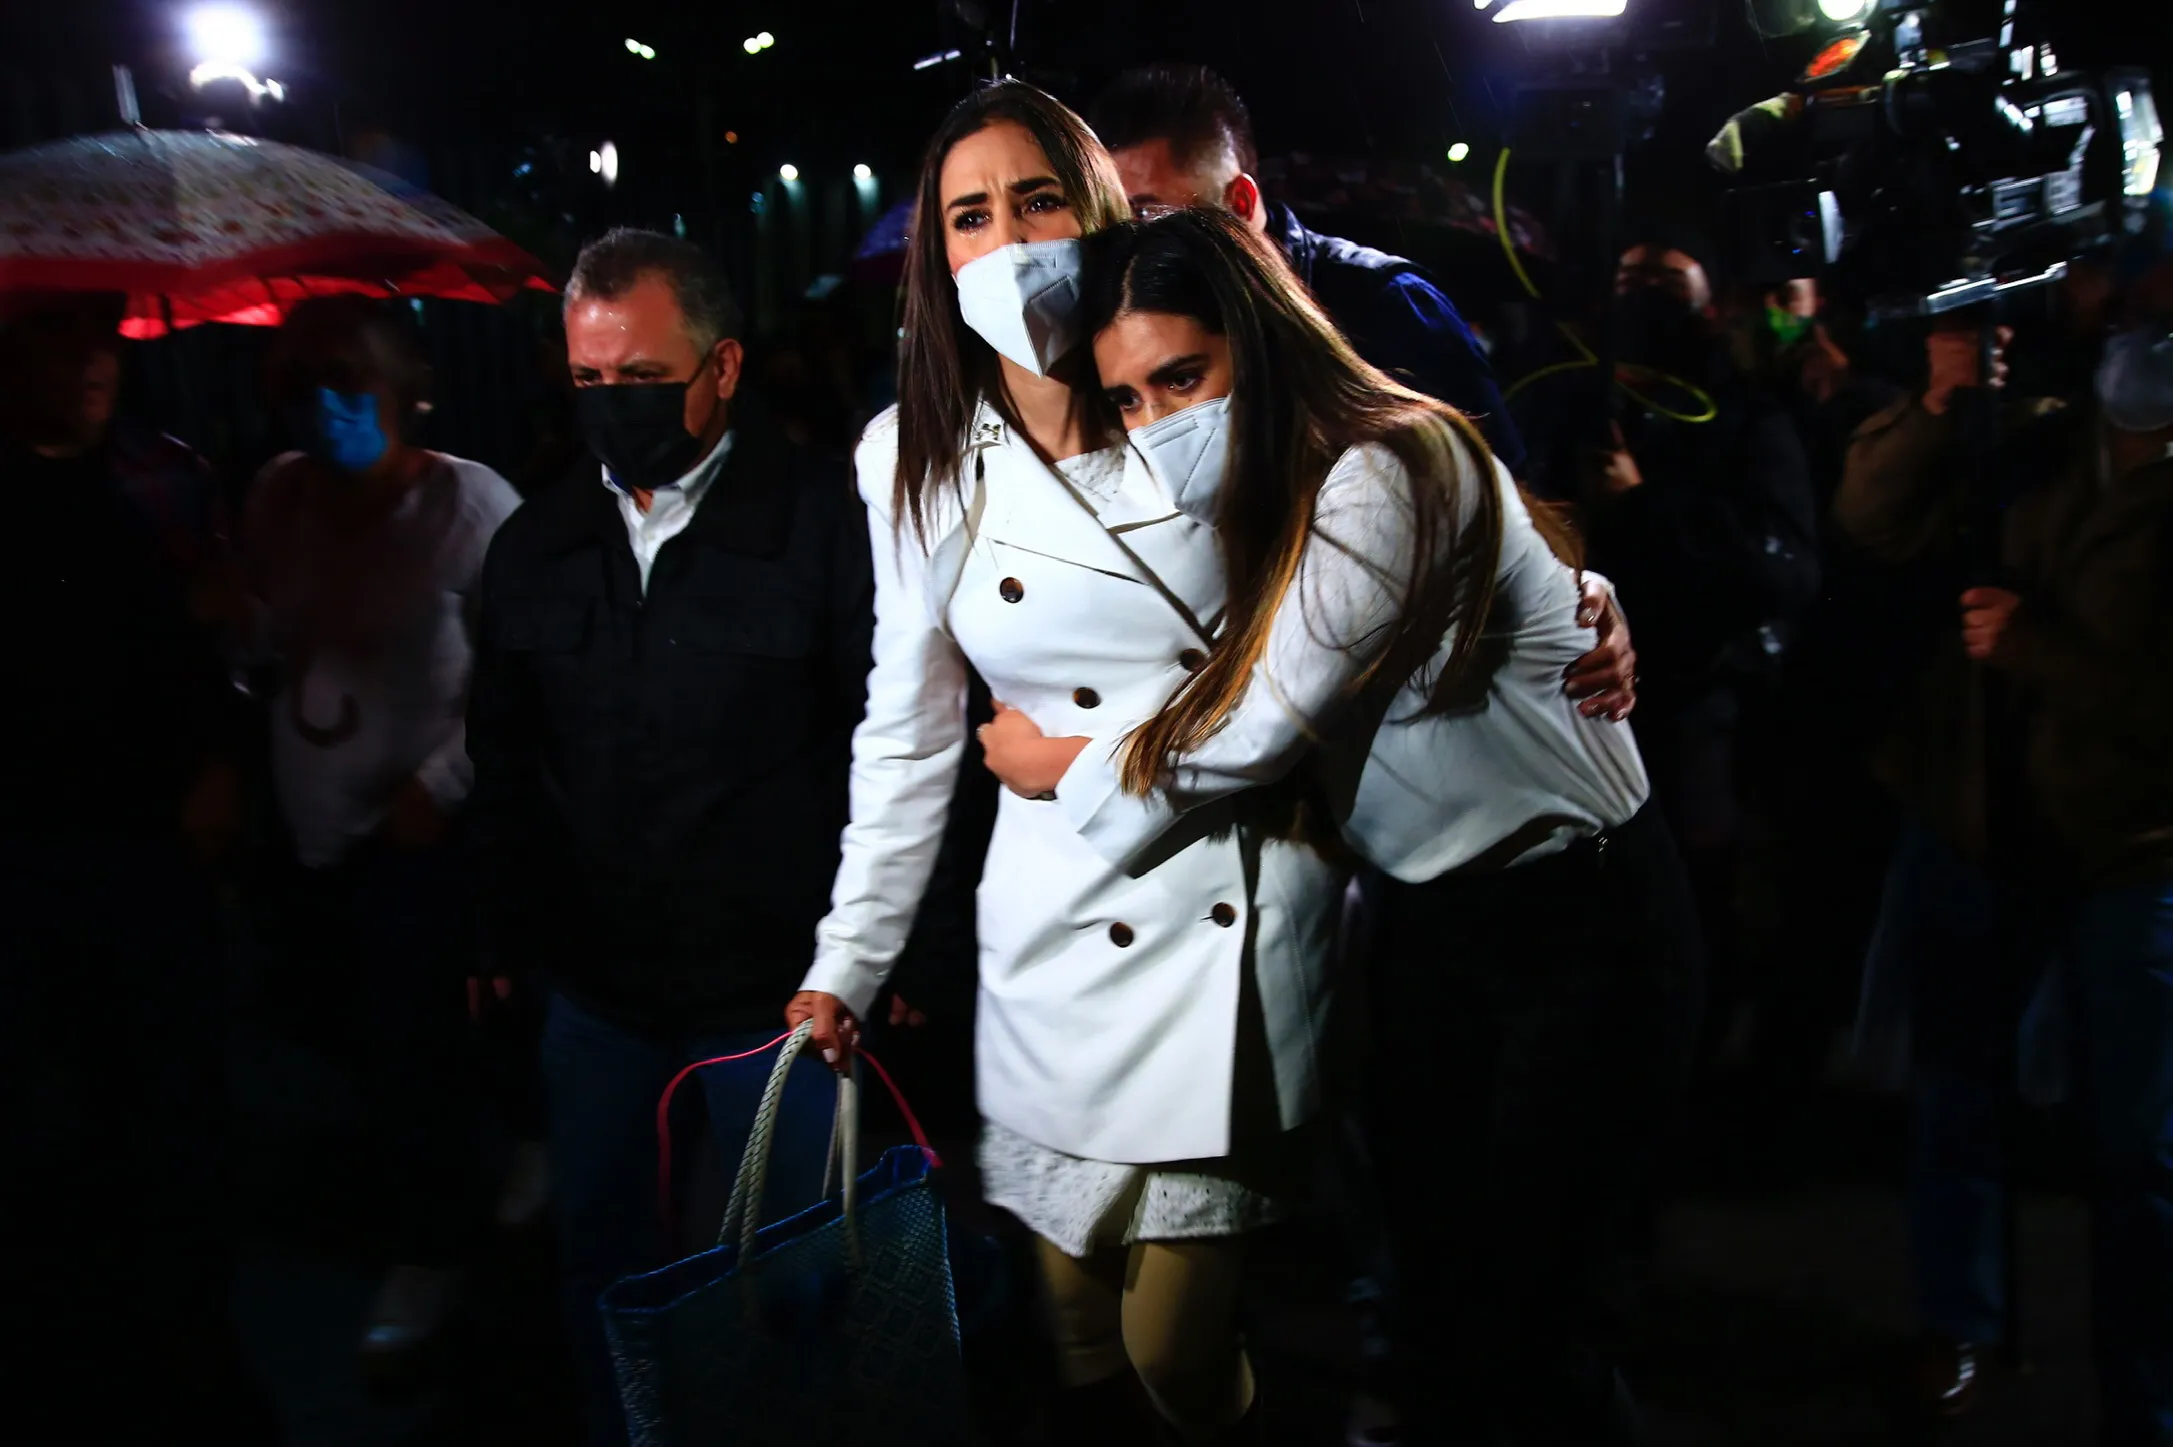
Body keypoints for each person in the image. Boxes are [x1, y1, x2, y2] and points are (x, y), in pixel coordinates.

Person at [785, 82, 1636, 1445]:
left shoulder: (1216, 382)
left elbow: (1429, 513)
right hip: (1053, 922)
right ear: (933, 252)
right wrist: (847, 957)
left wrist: (1579, 603)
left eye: (1038, 199)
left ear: (1104, 213)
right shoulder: (912, 454)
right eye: (968, 214)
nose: (1007, 241)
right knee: (1074, 1331)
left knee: (1187, 1341)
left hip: (1233, 898)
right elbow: (906, 727)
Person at [976, 206, 1700, 1447]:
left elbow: (1258, 725)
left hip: (1575, 922)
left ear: (1263, 340)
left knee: (1540, 1337)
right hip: (1432, 928)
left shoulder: (1389, 460)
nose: (1158, 420)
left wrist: (1053, 763)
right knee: (1446, 1320)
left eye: (1184, 376)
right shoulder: (1258, 499)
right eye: (1130, 398)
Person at [467, 228, 869, 1445]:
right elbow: (504, 757)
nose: (612, 404)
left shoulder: (823, 523)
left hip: (775, 994)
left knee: (794, 1273)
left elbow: (892, 748)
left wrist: (886, 952)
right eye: (588, 380)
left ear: (723, 366)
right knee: (608, 1268)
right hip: (600, 996)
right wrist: (499, 927)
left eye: (640, 378)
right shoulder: (537, 541)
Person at [1836, 278, 2173, 1446]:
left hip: (2136, 851)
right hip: (1981, 821)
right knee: (1956, 1094)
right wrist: (1937, 404)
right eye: (2131, 310)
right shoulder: (2037, 440)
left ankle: (2144, 1383)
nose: (2141, 333)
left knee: (2141, 1144)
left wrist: (2043, 656)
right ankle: (1962, 1325)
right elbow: (1872, 519)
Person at [241, 294, 521, 1369]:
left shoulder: (466, 503)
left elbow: (517, 676)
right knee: (350, 1030)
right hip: (311, 824)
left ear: (403, 390)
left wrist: (442, 782)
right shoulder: (278, 494)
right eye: (305, 385)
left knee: (421, 1042)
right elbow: (276, 641)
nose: (329, 407)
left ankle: (438, 1249)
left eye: (350, 383)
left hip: (420, 832)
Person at [0, 297, 261, 1436]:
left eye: (100, 337)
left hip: (156, 843)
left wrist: (217, 753)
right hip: (31, 846)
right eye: (57, 341)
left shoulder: (166, 478)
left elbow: (214, 649)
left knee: (174, 1105)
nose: (88, 364)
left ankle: (189, 1352)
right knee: (53, 1124)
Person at [1088, 63, 1525, 473]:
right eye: (1115, 220)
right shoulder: (1126, 323)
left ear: (1240, 202)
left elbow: (1494, 479)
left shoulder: (1387, 302)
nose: (1129, 241)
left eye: (1149, 214)